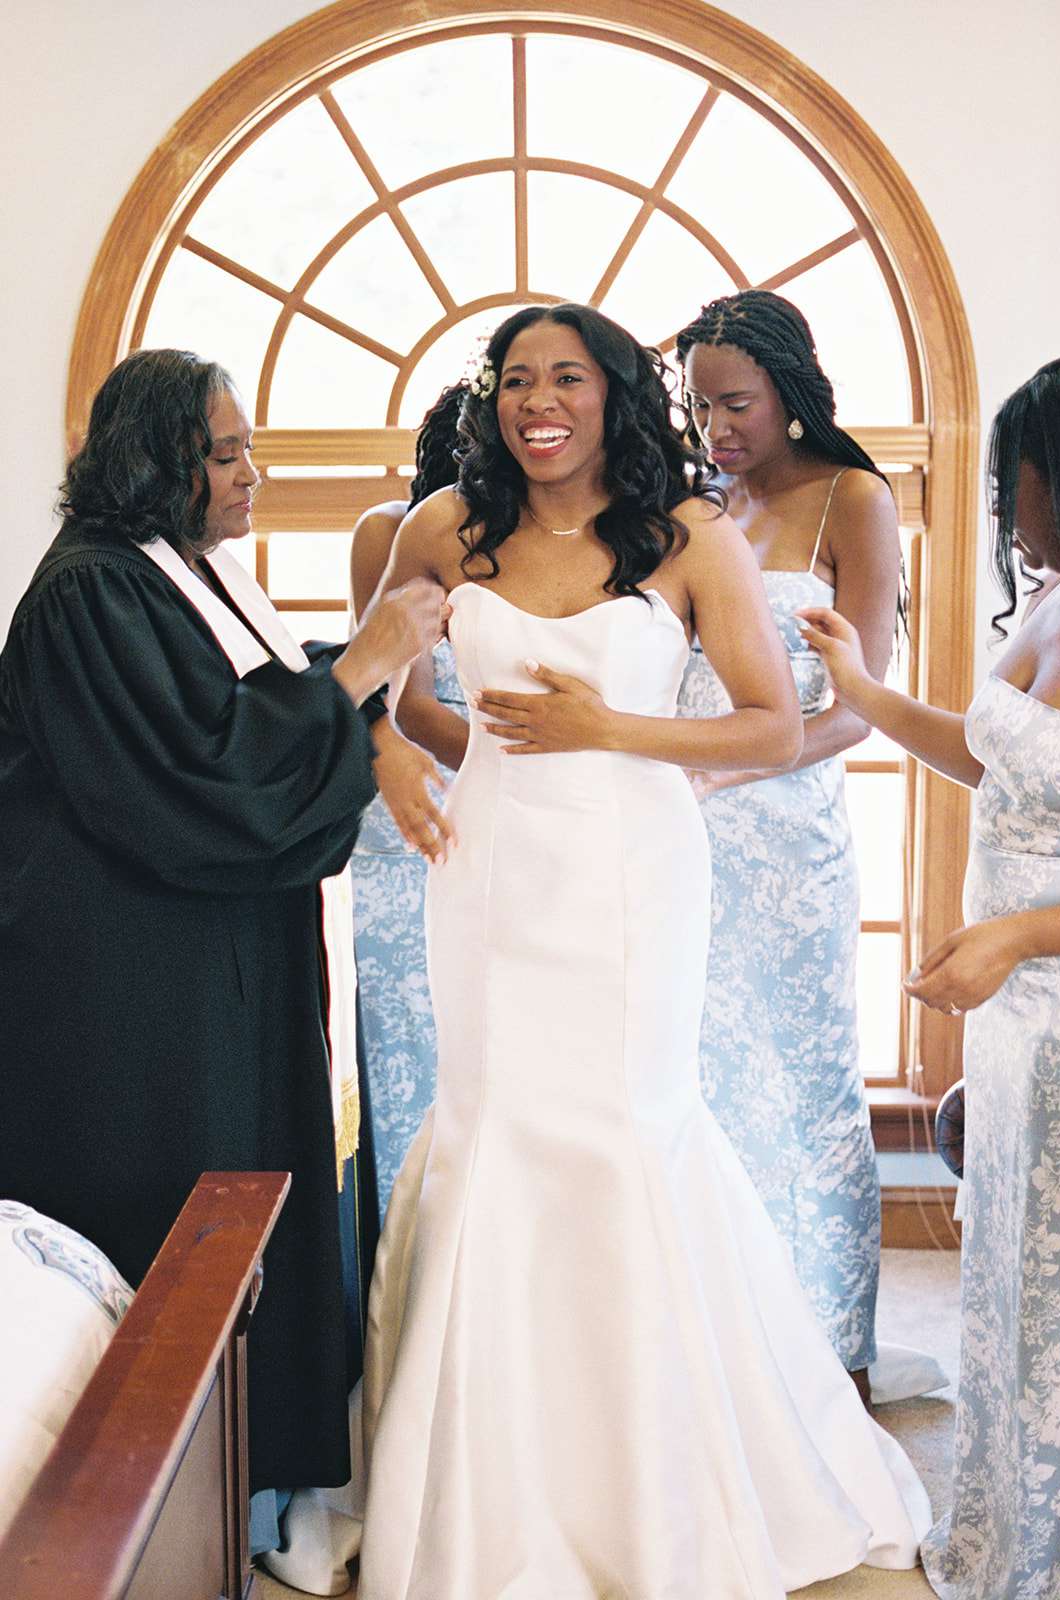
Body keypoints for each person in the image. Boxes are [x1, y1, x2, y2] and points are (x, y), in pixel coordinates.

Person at [320, 303, 930, 1598]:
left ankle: (657, 1485)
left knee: (621, 1133)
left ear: (613, 397)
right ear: (497, 401)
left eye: (570, 379)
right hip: (485, 872)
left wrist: (613, 733)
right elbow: (371, 679)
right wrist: (388, 751)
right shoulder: (444, 528)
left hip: (635, 873)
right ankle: (488, 1491)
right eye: (519, 380)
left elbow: (774, 729)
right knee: (493, 1135)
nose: (542, 401)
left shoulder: (688, 537)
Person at [0, 349, 445, 1512]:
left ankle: (252, 1473)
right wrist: (364, 663)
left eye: (251, 447)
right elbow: (198, 776)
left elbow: (250, 709)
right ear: (156, 462)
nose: (255, 472)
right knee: (162, 1208)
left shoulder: (185, 574)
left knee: (245, 1192)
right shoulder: (90, 591)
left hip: (211, 958)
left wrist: (354, 694)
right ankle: (164, 1504)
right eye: (228, 451)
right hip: (126, 988)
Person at [800, 353, 1060, 1600]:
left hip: (1054, 997)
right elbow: (984, 756)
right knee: (1017, 1287)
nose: (1004, 503)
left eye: (1015, 475)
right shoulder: (1050, 598)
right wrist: (862, 693)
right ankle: (1017, 1530)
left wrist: (1017, 935)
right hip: (1016, 1022)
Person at [672, 289, 902, 1406]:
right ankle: (723, 1351)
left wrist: (742, 760)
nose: (717, 427)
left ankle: (833, 1351)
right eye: (699, 405)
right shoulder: (689, 507)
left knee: (807, 1084)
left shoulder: (850, 499)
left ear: (788, 393)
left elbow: (864, 708)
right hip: (678, 835)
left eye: (736, 404)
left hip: (789, 839)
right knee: (699, 1088)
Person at [348, 383, 469, 1219]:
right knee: (404, 1046)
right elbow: (393, 696)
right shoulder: (391, 531)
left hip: (507, 814)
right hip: (405, 802)